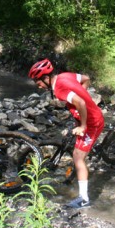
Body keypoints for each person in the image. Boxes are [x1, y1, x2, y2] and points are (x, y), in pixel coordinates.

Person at [28, 58, 105, 208]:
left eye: (39, 83)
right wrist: (83, 93)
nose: (39, 87)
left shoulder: (59, 89)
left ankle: (84, 199)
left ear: (46, 78)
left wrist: (83, 125)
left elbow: (81, 103)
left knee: (77, 157)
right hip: (88, 116)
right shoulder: (64, 76)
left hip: (92, 122)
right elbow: (86, 79)